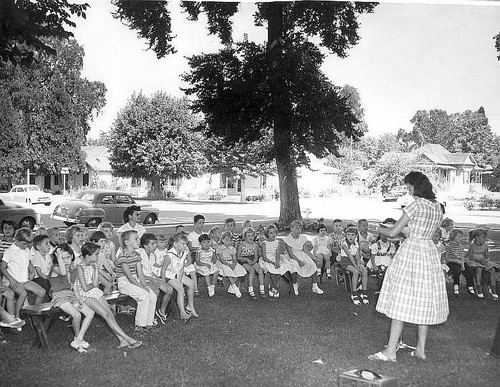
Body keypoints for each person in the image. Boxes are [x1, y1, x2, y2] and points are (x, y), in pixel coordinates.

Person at [369, 171, 448, 363]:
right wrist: (404, 232)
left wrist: (377, 228)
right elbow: (418, 231)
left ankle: (390, 352)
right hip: (428, 254)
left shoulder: (415, 205)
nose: (408, 190)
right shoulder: (437, 207)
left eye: (409, 187)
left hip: (412, 253)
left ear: (416, 186)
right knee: (423, 299)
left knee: (400, 299)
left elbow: (394, 231)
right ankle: (420, 349)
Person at [75, 242, 142, 349]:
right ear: (88, 256)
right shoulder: (80, 267)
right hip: (85, 295)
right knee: (105, 315)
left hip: (95, 292)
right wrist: (92, 283)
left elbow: (95, 284)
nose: (98, 256)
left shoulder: (92, 265)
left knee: (110, 315)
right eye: (96, 254)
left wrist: (96, 270)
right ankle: (128, 338)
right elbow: (85, 288)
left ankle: (122, 341)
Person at [49, 243, 94, 352]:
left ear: (72, 256)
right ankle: (78, 339)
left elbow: (74, 286)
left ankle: (78, 339)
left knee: (90, 313)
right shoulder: (55, 268)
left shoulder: (73, 269)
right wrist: (59, 258)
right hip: (59, 296)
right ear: (57, 258)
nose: (65, 260)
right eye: (62, 258)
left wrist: (78, 297)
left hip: (71, 295)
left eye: (68, 257)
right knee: (76, 315)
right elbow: (63, 272)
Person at [116, 230, 158, 332]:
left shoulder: (137, 255)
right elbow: (129, 277)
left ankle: (149, 323)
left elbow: (140, 273)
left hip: (136, 280)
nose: (139, 240)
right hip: (125, 283)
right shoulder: (122, 257)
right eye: (136, 239)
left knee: (152, 295)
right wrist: (142, 287)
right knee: (144, 296)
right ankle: (140, 325)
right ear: (127, 242)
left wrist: (145, 285)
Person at [0, 228, 46, 318]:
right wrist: (11, 280)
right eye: (23, 244)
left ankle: (34, 312)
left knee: (42, 292)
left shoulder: (26, 250)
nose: (25, 246)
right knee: (23, 293)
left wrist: (32, 270)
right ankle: (17, 315)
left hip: (23, 279)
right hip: (12, 280)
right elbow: (2, 267)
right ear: (16, 240)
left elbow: (29, 262)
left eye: (27, 244)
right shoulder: (9, 251)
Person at [137, 233, 174, 325]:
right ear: (145, 245)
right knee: (156, 291)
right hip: (140, 279)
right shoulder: (139, 253)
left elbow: (150, 270)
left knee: (169, 289)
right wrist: (153, 279)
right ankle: (151, 315)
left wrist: (157, 278)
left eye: (155, 243)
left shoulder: (153, 255)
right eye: (152, 244)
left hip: (151, 277)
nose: (155, 246)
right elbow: (139, 273)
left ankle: (161, 312)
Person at [161, 233, 198, 318]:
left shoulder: (183, 252)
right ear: (175, 244)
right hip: (168, 276)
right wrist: (164, 282)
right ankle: (182, 312)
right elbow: (163, 270)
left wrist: (179, 280)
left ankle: (190, 306)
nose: (185, 246)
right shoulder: (169, 255)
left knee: (191, 284)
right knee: (180, 289)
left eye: (186, 244)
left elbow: (181, 268)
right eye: (183, 244)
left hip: (177, 274)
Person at [283, 220, 323, 295]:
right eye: (297, 228)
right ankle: (295, 284)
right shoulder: (287, 240)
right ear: (291, 228)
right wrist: (299, 261)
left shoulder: (303, 238)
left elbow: (306, 251)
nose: (299, 230)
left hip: (302, 254)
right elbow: (291, 254)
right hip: (293, 257)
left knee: (312, 264)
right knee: (294, 268)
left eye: (301, 228)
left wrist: (315, 258)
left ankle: (315, 286)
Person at [260, 224, 294, 298]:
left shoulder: (277, 242)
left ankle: (272, 286)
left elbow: (277, 254)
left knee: (282, 268)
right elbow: (264, 257)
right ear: (267, 234)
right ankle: (275, 287)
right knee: (272, 270)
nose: (273, 234)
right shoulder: (264, 243)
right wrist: (273, 263)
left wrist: (277, 262)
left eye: (274, 232)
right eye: (271, 233)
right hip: (267, 260)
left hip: (276, 258)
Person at [465, 229, 499, 300]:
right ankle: (478, 286)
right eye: (483, 237)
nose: (485, 239)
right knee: (479, 269)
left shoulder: (485, 245)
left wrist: (486, 260)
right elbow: (471, 257)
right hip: (474, 262)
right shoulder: (472, 246)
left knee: (492, 270)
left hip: (483, 261)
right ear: (477, 237)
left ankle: (493, 287)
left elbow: (487, 256)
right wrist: (479, 259)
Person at [340, 226, 369, 305]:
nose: (350, 236)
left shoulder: (357, 244)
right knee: (355, 272)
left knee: (365, 271)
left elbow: (357, 257)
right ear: (346, 235)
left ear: (356, 236)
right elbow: (349, 255)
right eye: (348, 234)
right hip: (346, 261)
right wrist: (356, 267)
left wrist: (359, 265)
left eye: (352, 235)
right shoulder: (344, 244)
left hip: (354, 260)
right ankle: (354, 293)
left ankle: (364, 292)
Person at [444, 229, 475, 296]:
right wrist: (457, 261)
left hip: (460, 262)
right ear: (453, 237)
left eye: (462, 236)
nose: (461, 238)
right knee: (456, 270)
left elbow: (461, 257)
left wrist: (462, 264)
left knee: (468, 270)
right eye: (459, 236)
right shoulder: (449, 246)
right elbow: (446, 258)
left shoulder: (461, 246)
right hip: (451, 262)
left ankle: (470, 286)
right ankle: (456, 286)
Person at [237, 227, 265, 299]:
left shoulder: (255, 245)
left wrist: (255, 261)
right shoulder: (241, 245)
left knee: (260, 270)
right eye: (248, 235)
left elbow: (256, 256)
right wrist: (246, 260)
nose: (251, 237)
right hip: (243, 261)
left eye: (252, 235)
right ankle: (250, 289)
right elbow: (238, 257)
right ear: (245, 236)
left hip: (252, 260)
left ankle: (262, 289)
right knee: (251, 270)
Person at [216, 231, 246, 298]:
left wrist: (234, 264)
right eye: (227, 240)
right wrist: (229, 265)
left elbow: (234, 258)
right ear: (222, 240)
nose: (229, 242)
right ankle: (235, 288)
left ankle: (231, 288)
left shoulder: (232, 248)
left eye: (230, 240)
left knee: (237, 272)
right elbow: (222, 259)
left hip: (231, 262)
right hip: (223, 263)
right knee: (229, 273)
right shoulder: (220, 248)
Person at [89, 230, 116, 295]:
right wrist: (106, 276)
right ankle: (103, 297)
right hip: (95, 272)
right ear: (94, 242)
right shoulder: (93, 253)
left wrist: (112, 273)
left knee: (112, 284)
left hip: (101, 271)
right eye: (101, 241)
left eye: (105, 241)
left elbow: (105, 263)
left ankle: (108, 297)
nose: (104, 243)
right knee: (108, 285)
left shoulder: (101, 252)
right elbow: (96, 268)